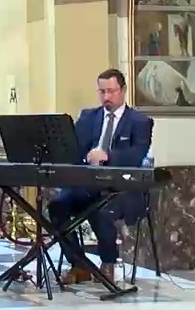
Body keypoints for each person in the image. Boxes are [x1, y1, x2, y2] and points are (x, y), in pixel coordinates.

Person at [49, 68, 153, 283]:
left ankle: (109, 262)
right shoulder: (88, 117)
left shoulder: (140, 122)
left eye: (111, 91)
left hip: (121, 189)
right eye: (102, 92)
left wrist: (107, 156)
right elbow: (73, 150)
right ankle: (79, 264)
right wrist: (85, 157)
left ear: (122, 90)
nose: (106, 97)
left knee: (101, 209)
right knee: (56, 206)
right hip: (87, 185)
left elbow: (135, 156)